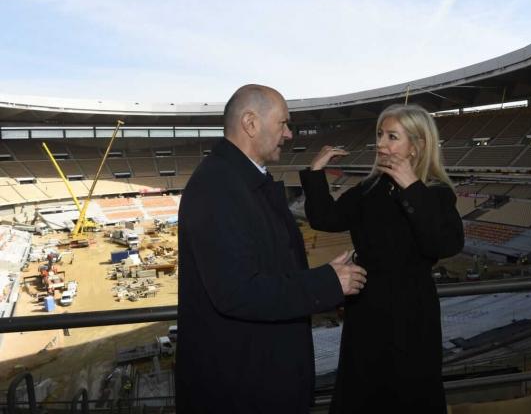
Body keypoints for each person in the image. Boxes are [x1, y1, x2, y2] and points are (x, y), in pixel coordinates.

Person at [176, 84, 367, 414]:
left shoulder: (241, 181)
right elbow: (238, 291)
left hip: (257, 379)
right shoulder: (218, 188)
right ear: (250, 123)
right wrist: (327, 282)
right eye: (283, 123)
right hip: (242, 390)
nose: (289, 134)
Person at [299, 104, 464, 413]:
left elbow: (444, 244)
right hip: (367, 309)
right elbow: (327, 218)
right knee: (362, 391)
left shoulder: (436, 192)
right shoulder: (370, 188)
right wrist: (316, 173)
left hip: (412, 313)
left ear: (417, 145)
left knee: (410, 392)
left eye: (392, 136)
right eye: (379, 134)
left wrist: (411, 188)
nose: (381, 144)